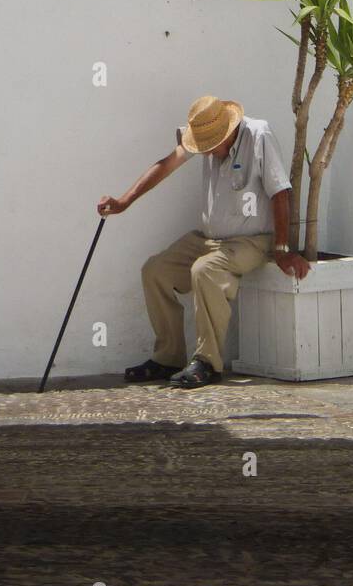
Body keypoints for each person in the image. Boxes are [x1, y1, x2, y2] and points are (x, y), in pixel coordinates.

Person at [98, 95, 309, 389]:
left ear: (227, 132)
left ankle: (208, 363)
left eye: (211, 146)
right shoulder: (202, 137)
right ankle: (168, 357)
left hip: (251, 241)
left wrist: (283, 249)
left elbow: (280, 192)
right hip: (208, 239)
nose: (207, 153)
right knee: (155, 270)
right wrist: (123, 202)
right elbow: (166, 164)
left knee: (204, 270)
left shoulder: (259, 135)